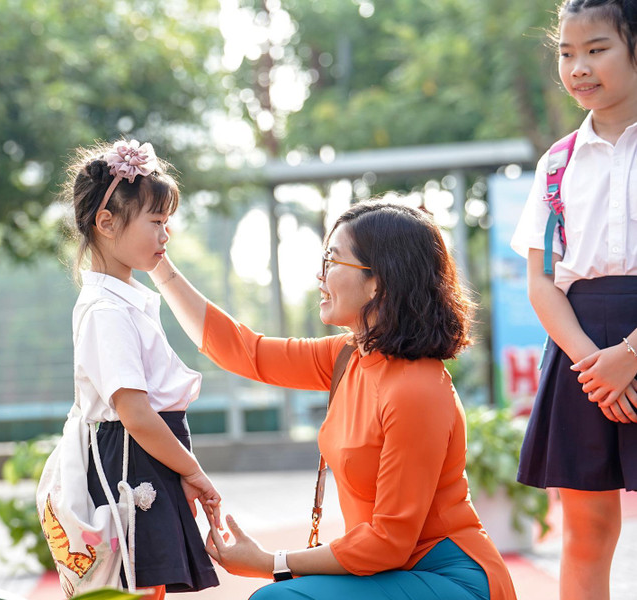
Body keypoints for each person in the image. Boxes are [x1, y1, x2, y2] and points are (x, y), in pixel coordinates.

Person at [149, 201, 516, 600]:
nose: (320, 275)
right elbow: (243, 351)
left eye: (333, 260)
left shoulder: (416, 390)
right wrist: (155, 263)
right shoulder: (348, 356)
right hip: (389, 572)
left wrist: (272, 562)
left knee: (276, 598)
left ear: (378, 282)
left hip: (451, 578)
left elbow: (389, 541)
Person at [510, 1, 637, 598]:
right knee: (585, 534)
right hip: (579, 354)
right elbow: (541, 281)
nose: (578, 66)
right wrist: (595, 364)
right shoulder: (554, 162)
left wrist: (630, 355)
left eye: (597, 49)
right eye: (566, 53)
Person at [65, 139, 221, 599]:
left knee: (145, 587)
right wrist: (193, 470)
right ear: (107, 223)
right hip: (134, 458)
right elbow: (135, 413)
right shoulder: (105, 310)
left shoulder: (122, 300)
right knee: (138, 587)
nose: (165, 236)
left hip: (147, 455)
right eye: (155, 222)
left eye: (166, 222)